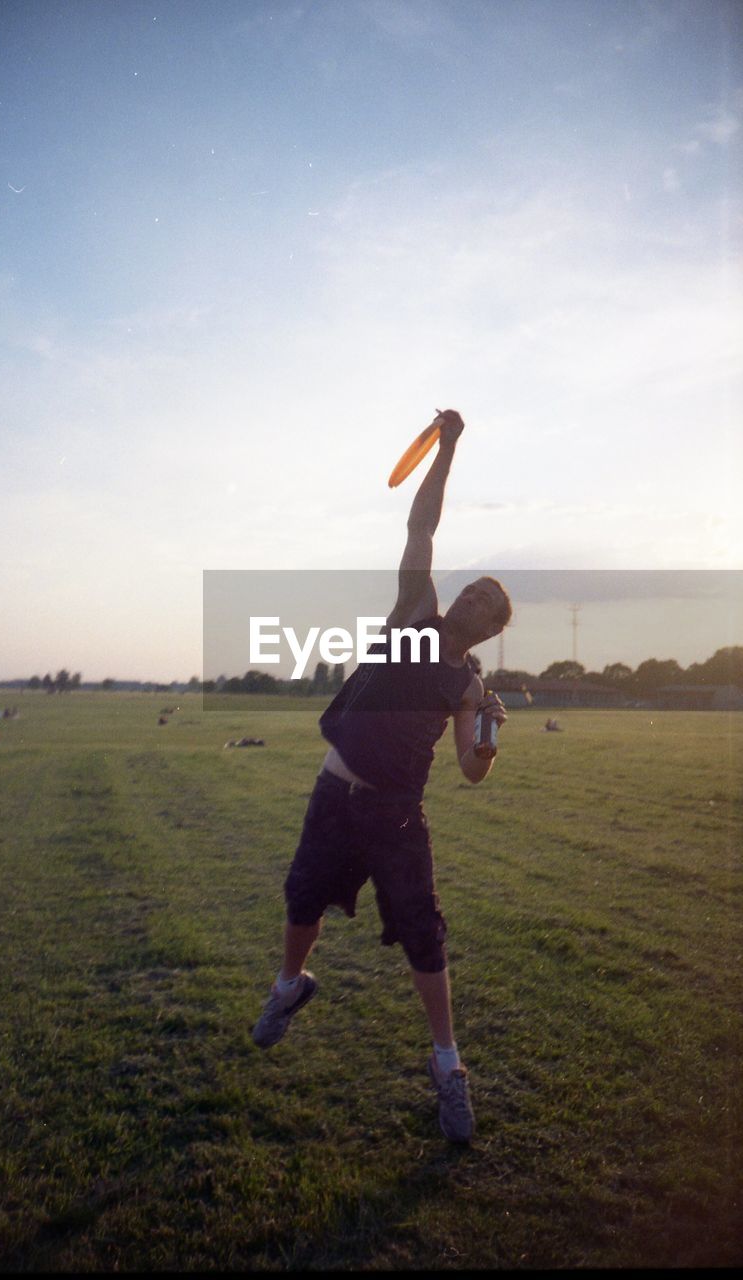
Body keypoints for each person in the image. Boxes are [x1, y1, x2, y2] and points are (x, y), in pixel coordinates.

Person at [251, 410, 511, 1144]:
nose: (470, 602)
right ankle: (287, 988)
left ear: (491, 629)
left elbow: (468, 771)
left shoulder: (468, 688)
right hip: (336, 791)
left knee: (423, 938)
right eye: (472, 592)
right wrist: (446, 448)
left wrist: (488, 743)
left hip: (398, 814)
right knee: (302, 898)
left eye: (486, 605)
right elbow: (421, 527)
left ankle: (448, 1070)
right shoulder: (414, 610)